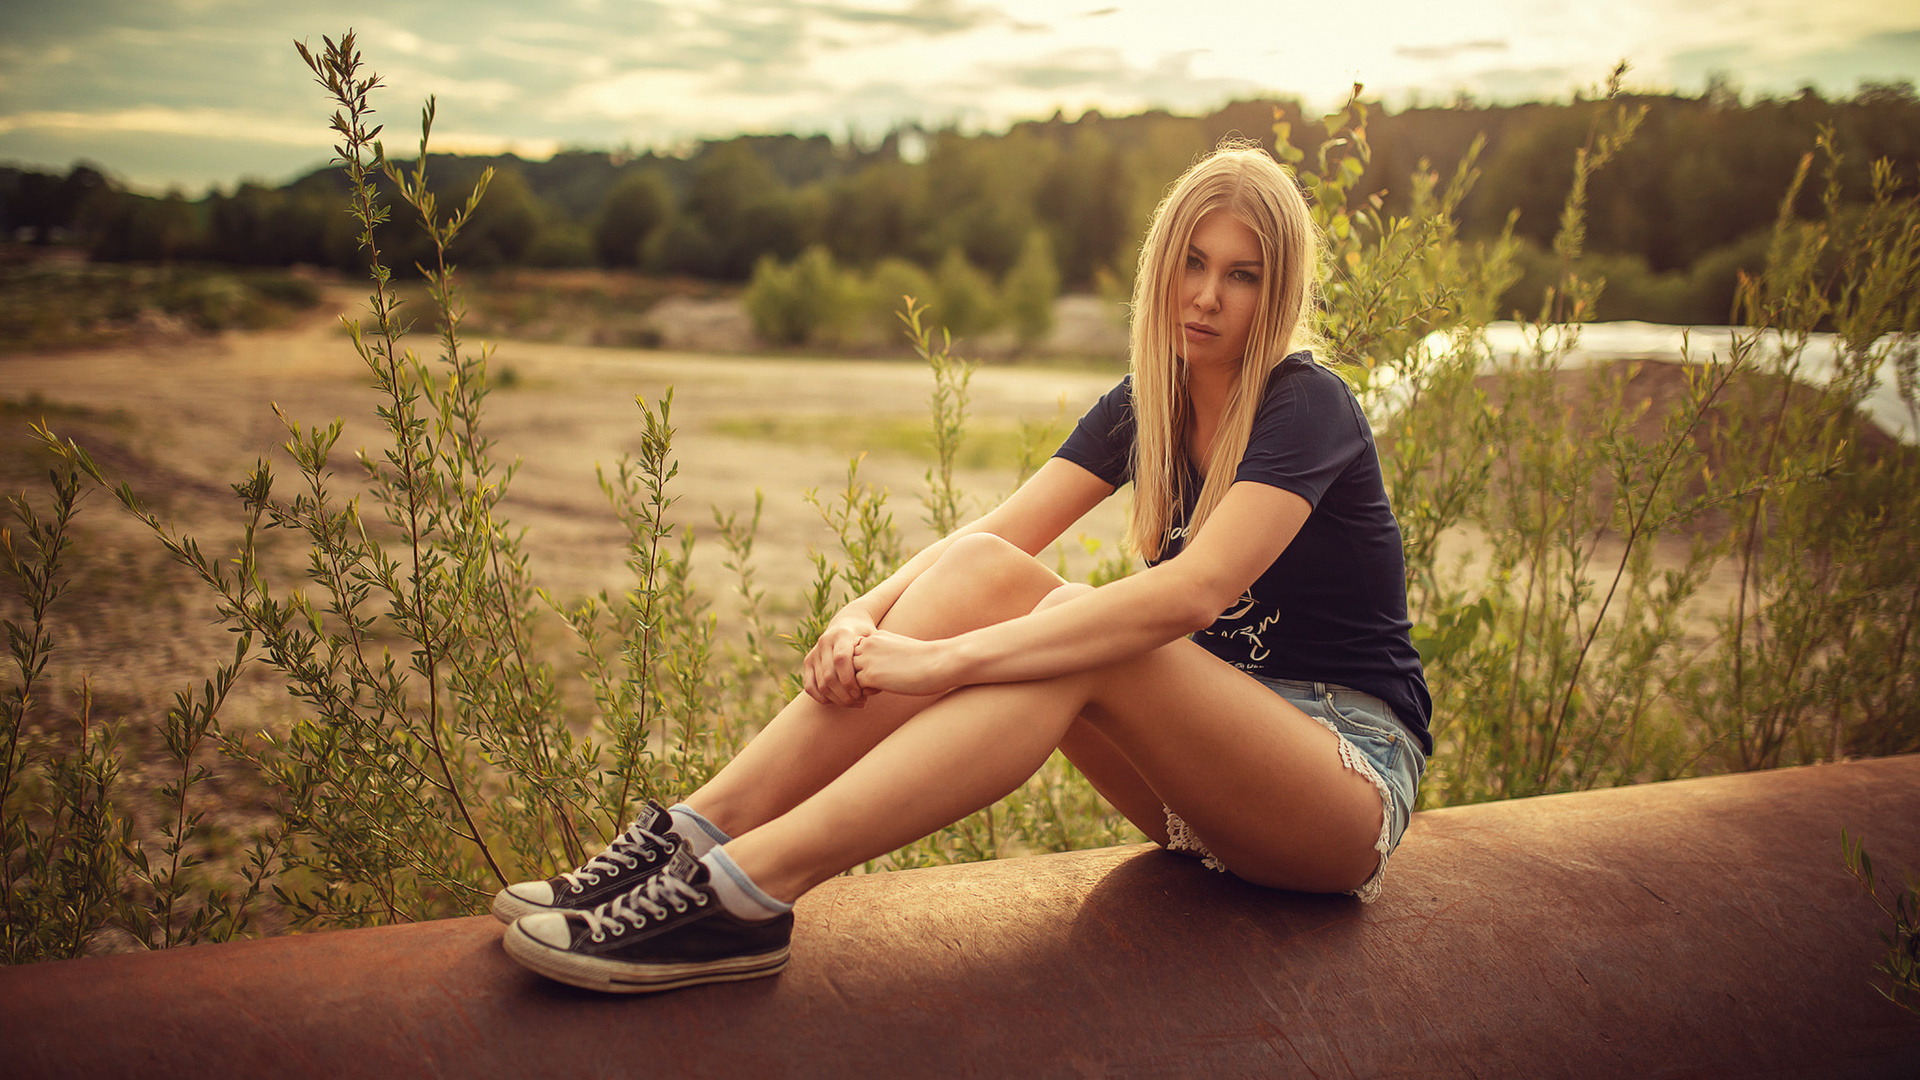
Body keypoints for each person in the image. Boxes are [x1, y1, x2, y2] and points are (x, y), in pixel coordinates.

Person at [496, 142, 1432, 994]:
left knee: (1084, 634)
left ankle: (745, 891)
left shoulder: (1307, 404)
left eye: (1241, 275)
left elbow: (1193, 591)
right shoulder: (1151, 399)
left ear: (1279, 293)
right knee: (995, 572)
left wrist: (950, 663)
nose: (1205, 296)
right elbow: (990, 538)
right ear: (1161, 267)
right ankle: (699, 831)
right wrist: (859, 617)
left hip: (1339, 779)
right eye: (1191, 262)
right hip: (1205, 788)